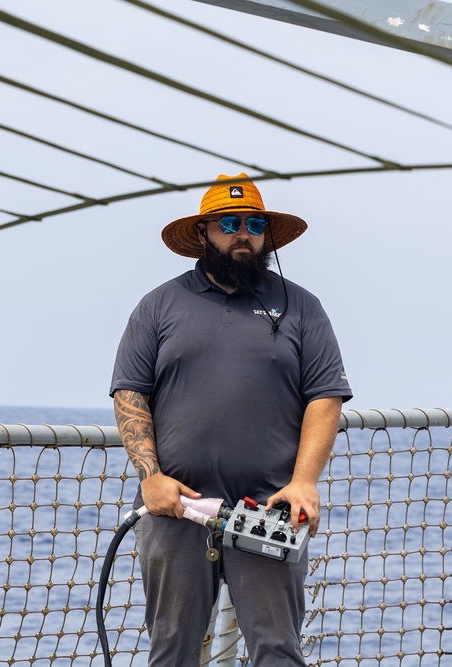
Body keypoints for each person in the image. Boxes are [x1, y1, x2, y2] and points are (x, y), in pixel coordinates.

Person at [109, 173, 352, 666]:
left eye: (255, 224)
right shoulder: (158, 306)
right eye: (230, 223)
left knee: (278, 651)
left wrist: (305, 482)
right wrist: (151, 479)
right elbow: (130, 392)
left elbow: (325, 396)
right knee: (172, 652)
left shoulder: (303, 308)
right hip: (176, 511)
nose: (244, 233)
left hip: (269, 510)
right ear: (203, 233)